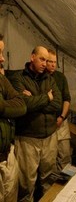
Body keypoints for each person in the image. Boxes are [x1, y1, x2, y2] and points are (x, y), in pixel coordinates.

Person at [10, 46, 62, 201]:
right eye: (42, 59)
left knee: (47, 179)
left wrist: (34, 99)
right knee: (26, 183)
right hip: (28, 138)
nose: (45, 63)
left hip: (49, 137)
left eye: (47, 60)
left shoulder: (49, 79)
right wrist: (46, 98)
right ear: (32, 57)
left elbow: (57, 104)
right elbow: (24, 105)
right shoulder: (19, 78)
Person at [0, 34, 27, 202]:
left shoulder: (2, 79)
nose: (2, 59)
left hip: (7, 155)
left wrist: (3, 106)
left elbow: (22, 104)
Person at [46, 49, 72, 172]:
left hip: (62, 122)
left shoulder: (60, 77)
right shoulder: (41, 78)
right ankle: (53, 187)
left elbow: (67, 99)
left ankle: (66, 184)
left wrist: (62, 117)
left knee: (65, 154)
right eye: (50, 61)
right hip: (48, 123)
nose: (52, 64)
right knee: (49, 159)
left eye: (54, 62)